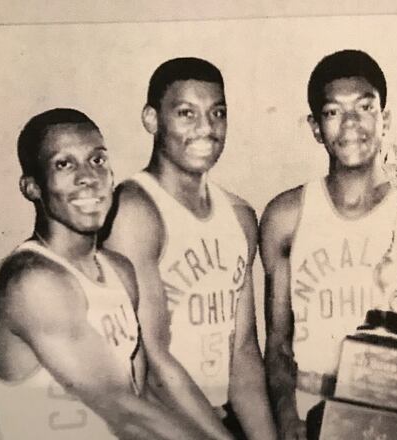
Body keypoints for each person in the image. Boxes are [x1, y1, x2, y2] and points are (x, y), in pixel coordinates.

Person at [260, 49, 397, 440]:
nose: (351, 125)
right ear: (314, 127)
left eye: (364, 107)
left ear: (386, 119)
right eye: (332, 112)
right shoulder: (285, 216)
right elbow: (277, 346)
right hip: (313, 421)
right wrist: (286, 417)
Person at [0, 108, 218, 439]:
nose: (88, 177)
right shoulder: (30, 280)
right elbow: (125, 411)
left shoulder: (119, 271)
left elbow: (141, 395)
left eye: (98, 161)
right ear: (32, 187)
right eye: (64, 164)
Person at [102, 57, 276, 439]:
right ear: (152, 119)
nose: (207, 128)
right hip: (159, 425)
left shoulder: (240, 216)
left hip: (217, 420)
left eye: (218, 113)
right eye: (186, 113)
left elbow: (244, 354)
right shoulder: (134, 210)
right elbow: (152, 360)